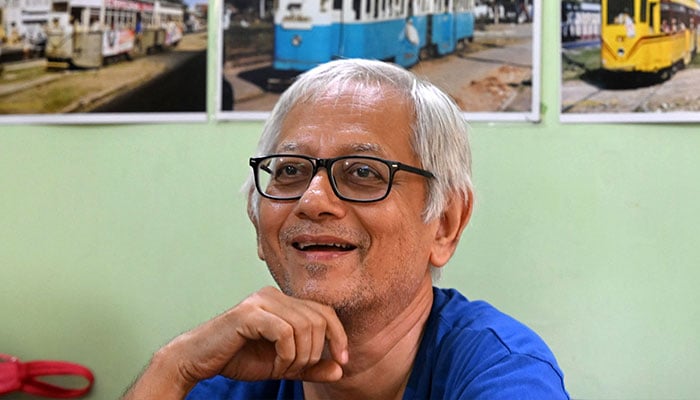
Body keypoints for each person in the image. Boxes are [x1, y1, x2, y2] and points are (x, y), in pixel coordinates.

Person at [122, 58, 569, 399]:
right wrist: (174, 367)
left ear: (445, 225)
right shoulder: (229, 374)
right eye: (291, 170)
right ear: (257, 220)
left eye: (363, 173)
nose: (312, 200)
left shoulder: (502, 371)